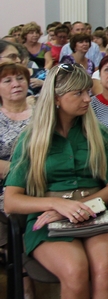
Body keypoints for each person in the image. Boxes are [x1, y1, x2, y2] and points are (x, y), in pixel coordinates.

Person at [4, 63, 108, 298]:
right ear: (56, 98)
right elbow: (11, 201)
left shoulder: (97, 132)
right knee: (75, 271)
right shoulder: (32, 139)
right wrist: (58, 205)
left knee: (104, 270)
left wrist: (78, 207)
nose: (87, 99)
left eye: (88, 92)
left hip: (94, 212)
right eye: (78, 93)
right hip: (49, 219)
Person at [0, 61, 35, 294]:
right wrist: (22, 172)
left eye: (20, 78)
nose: (16, 84)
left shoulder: (43, 114)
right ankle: (25, 282)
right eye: (8, 80)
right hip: (7, 183)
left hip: (45, 178)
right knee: (14, 209)